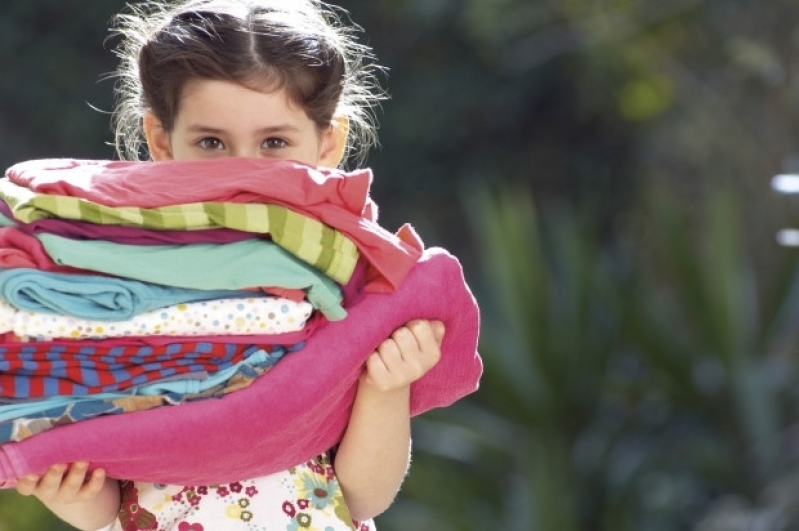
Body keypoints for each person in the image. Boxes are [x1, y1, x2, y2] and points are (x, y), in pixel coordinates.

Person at [13, 1, 445, 529]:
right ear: (160, 140)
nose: (244, 170)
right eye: (212, 142)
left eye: (275, 143)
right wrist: (69, 489)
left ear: (327, 141)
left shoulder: (354, 281)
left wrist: (386, 386)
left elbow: (361, 497)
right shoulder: (124, 273)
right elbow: (104, 505)